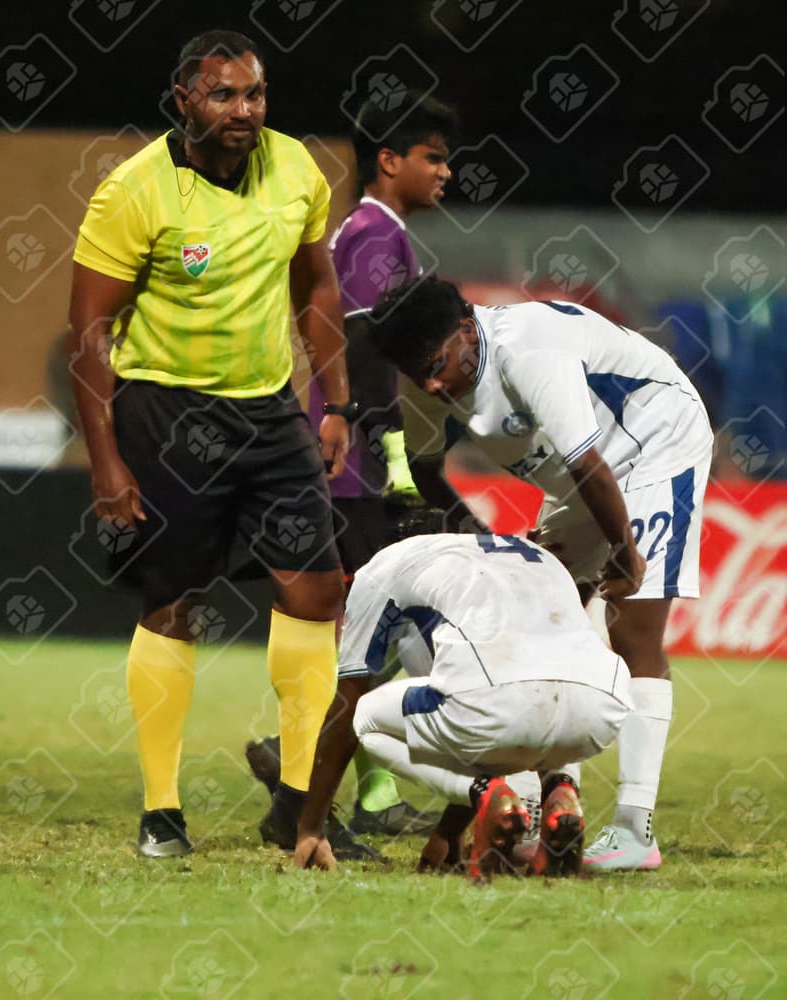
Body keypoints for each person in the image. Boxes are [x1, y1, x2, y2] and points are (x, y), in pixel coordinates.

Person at [69, 29, 356, 858]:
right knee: (174, 605)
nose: (244, 110)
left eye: (256, 94)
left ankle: (300, 803)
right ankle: (163, 809)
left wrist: (336, 402)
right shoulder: (135, 192)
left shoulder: (296, 171)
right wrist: (107, 461)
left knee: (317, 591)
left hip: (270, 413)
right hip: (166, 412)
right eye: (225, 95)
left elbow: (318, 286)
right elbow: (88, 330)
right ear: (184, 100)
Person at [366, 276, 714, 871]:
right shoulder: (424, 375)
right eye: (418, 373)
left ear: (465, 329)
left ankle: (635, 829)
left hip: (655, 442)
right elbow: (427, 472)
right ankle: (538, 806)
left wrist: (625, 553)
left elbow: (587, 460)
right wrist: (480, 544)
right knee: (536, 626)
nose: (431, 384)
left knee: (632, 630)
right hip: (583, 478)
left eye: (437, 365)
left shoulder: (527, 347)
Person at [245, 94, 457, 839]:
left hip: (351, 456)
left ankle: (362, 796)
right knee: (380, 623)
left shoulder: (382, 235)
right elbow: (362, 353)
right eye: (432, 156)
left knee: (365, 623)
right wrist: (396, 459)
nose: (446, 170)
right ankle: (298, 780)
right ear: (389, 162)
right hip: (347, 459)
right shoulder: (373, 236)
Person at [293, 531, 634, 877]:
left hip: (500, 706)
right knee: (528, 694)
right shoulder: (528, 552)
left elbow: (347, 702)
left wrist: (309, 828)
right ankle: (562, 791)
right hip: (601, 707)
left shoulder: (379, 571)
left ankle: (483, 792)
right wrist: (449, 831)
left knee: (365, 717)